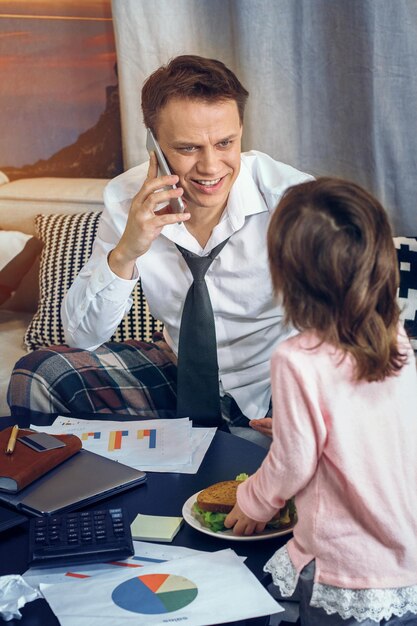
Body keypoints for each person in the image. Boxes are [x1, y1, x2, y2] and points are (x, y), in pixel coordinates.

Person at [7, 55, 311, 442]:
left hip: (275, 383)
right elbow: (82, 336)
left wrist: (317, 406)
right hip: (180, 372)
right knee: (38, 375)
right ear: (153, 143)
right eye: (188, 148)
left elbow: (348, 325)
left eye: (225, 143)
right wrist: (127, 250)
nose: (211, 166)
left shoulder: (293, 199)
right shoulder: (125, 199)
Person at [224, 178, 417, 624]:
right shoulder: (396, 339)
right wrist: (300, 428)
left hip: (347, 565)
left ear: (288, 277)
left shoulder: (296, 358)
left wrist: (252, 503)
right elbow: (385, 422)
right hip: (404, 557)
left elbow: (292, 464)